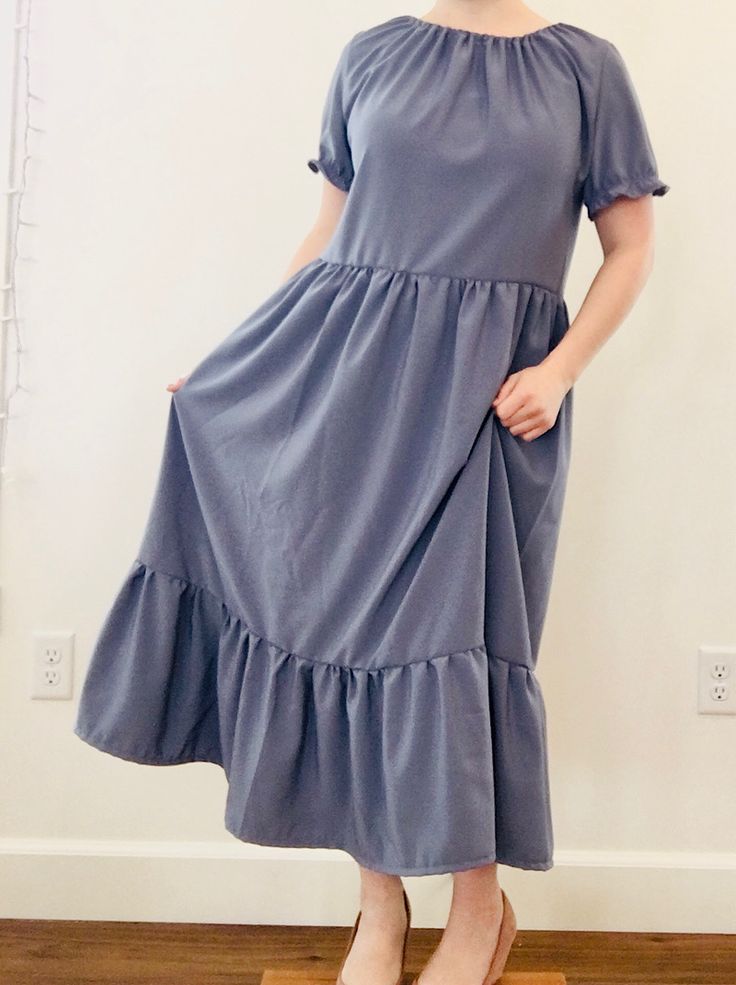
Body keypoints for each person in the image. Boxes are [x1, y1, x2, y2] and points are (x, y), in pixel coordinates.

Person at [75, 2, 670, 984]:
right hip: (349, 390)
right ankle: (378, 904)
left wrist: (561, 370)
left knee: (456, 647)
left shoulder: (584, 71)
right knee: (344, 633)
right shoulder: (373, 53)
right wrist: (239, 363)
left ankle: (478, 911)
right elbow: (328, 236)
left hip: (488, 406)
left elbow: (632, 247)